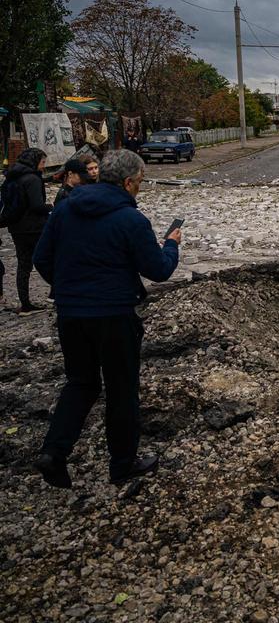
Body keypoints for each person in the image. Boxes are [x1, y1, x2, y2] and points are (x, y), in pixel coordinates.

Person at [32, 149, 181, 488]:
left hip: (70, 313)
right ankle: (123, 464)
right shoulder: (131, 220)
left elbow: (42, 257)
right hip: (114, 314)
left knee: (80, 383)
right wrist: (171, 245)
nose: (140, 189)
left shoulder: (66, 207)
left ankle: (53, 453)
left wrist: (70, 287)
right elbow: (158, 270)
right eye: (140, 183)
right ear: (128, 183)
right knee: (121, 389)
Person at [3, 148, 52, 315]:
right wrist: (51, 206)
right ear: (35, 161)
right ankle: (58, 295)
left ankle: (25, 304)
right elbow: (37, 206)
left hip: (17, 228)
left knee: (23, 265)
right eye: (43, 162)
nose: (44, 166)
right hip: (34, 228)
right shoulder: (32, 179)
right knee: (49, 259)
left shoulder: (13, 176)